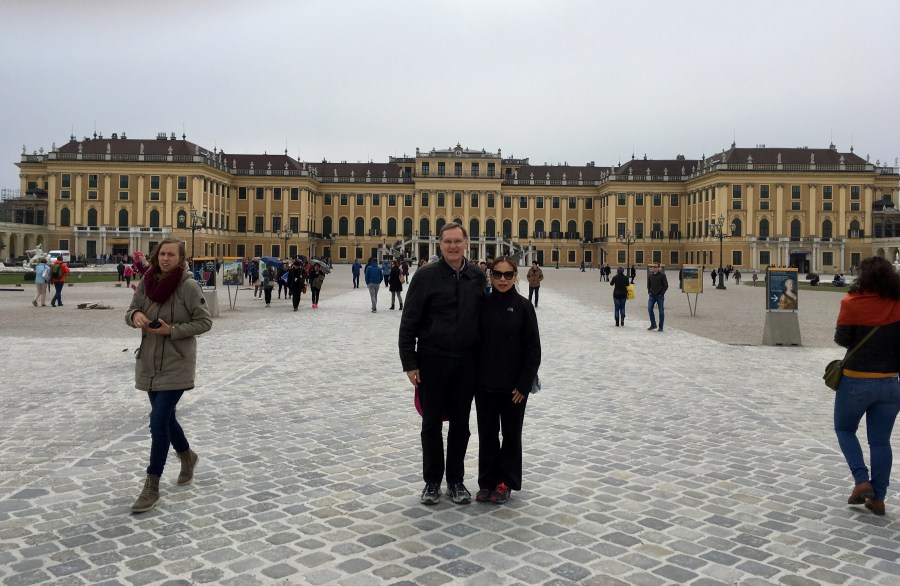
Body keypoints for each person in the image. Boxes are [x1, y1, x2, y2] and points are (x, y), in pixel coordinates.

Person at [399, 222, 486, 505]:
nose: (453, 246)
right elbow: (409, 322)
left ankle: (456, 481)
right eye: (448, 241)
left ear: (466, 243)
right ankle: (432, 481)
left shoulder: (476, 276)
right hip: (432, 359)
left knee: (461, 425)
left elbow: (484, 320)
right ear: (440, 244)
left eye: (457, 241)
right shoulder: (425, 276)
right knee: (431, 424)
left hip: (466, 361)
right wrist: (410, 363)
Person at [125, 237, 213, 513]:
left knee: (158, 421)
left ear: (181, 259)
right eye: (162, 254)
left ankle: (152, 484)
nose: (165, 258)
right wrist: (135, 315)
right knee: (165, 418)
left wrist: (171, 330)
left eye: (171, 255)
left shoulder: (188, 286)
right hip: (149, 361)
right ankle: (187, 456)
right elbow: (130, 311)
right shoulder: (146, 282)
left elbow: (204, 322)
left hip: (177, 362)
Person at [833, 255, 900, 517]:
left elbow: (842, 339)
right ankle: (879, 498)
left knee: (844, 429)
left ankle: (861, 480)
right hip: (890, 382)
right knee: (881, 442)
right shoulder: (897, 303)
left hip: (856, 379)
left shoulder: (851, 302)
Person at [475, 256, 541, 505]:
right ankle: (487, 481)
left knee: (511, 435)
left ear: (515, 277)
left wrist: (523, 384)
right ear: (490, 276)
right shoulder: (482, 304)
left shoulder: (524, 307)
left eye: (508, 275)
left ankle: (506, 481)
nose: (502, 279)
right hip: (485, 385)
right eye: (498, 274)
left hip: (514, 388)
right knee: (487, 436)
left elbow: (533, 350)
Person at [647, 263, 668, 331]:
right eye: (653, 267)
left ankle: (661, 326)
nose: (654, 268)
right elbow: (648, 285)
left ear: (658, 268)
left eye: (655, 267)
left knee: (661, 311)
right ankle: (653, 324)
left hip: (659, 296)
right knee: (650, 309)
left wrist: (661, 293)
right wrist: (649, 292)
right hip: (652, 296)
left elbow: (666, 285)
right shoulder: (650, 276)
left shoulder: (662, 275)